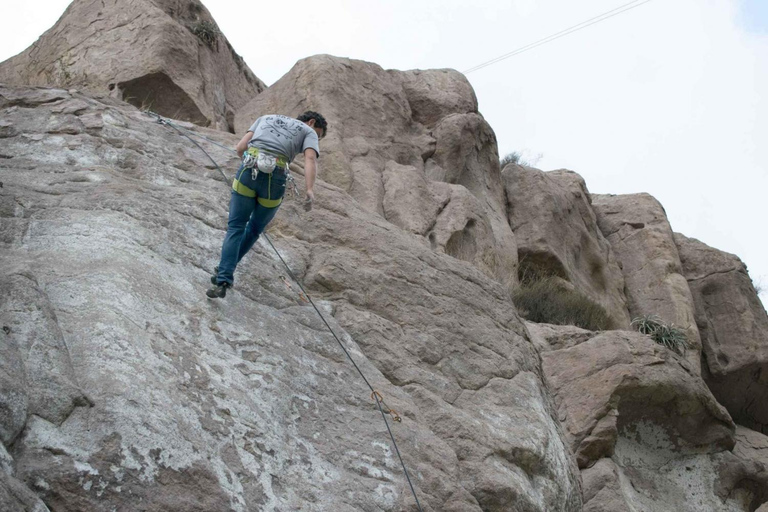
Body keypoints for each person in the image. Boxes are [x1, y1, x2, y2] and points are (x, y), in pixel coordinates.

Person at [207, 111, 327, 298]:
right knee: (254, 229)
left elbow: (240, 147)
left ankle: (223, 276)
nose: (316, 138)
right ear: (311, 122)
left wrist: (248, 165)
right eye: (318, 135)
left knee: (236, 227)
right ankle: (226, 269)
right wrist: (310, 189)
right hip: (274, 180)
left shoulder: (266, 118)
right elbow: (310, 159)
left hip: (249, 170)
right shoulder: (307, 131)